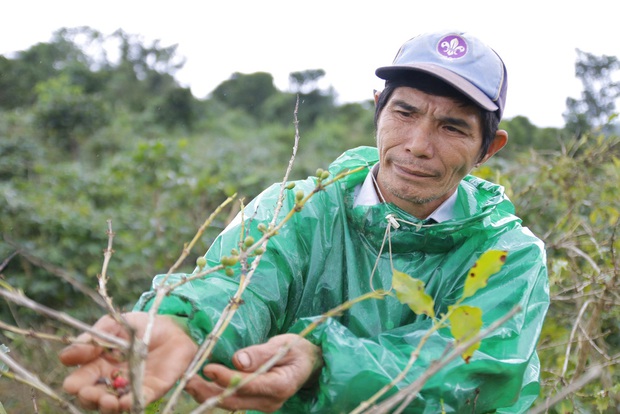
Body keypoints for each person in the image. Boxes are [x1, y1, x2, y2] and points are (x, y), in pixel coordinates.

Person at [60, 31, 549, 413]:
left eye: (452, 126)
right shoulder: (297, 210)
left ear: (489, 148)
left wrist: (321, 361)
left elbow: (470, 368)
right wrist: (182, 324)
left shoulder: (509, 254)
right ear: (378, 109)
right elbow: (239, 282)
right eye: (405, 111)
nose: (418, 144)